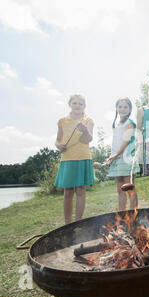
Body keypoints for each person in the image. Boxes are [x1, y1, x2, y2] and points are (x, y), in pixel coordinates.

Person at [54, 94, 94, 224]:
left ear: (84, 106)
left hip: (83, 157)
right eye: (75, 103)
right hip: (68, 158)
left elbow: (89, 139)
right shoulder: (62, 121)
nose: (77, 106)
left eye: (80, 104)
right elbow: (57, 140)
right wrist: (58, 145)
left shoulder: (88, 120)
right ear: (69, 104)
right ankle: (67, 224)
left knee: (81, 190)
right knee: (68, 191)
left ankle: (78, 222)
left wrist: (85, 131)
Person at [104, 97, 139, 211]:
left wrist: (116, 155)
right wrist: (112, 156)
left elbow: (125, 142)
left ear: (129, 110)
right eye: (120, 106)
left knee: (129, 188)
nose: (122, 109)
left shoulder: (130, 123)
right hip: (116, 159)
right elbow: (116, 143)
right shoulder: (116, 124)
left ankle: (133, 214)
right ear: (116, 108)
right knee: (120, 190)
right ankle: (123, 215)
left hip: (126, 158)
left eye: (125, 107)